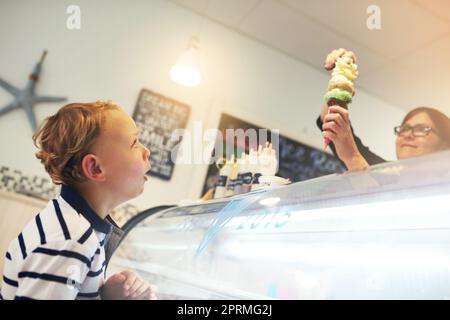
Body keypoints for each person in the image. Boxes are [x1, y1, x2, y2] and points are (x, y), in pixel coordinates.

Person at [1, 101, 156, 300]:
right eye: (134, 143)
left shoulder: (74, 227)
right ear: (95, 168)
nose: (147, 151)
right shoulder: (71, 241)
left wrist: (106, 295)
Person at [318, 51, 450, 171]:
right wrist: (341, 80)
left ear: (446, 144)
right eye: (404, 128)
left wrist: (352, 157)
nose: (408, 135)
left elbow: (371, 187)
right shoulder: (382, 172)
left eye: (421, 129)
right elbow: (330, 123)